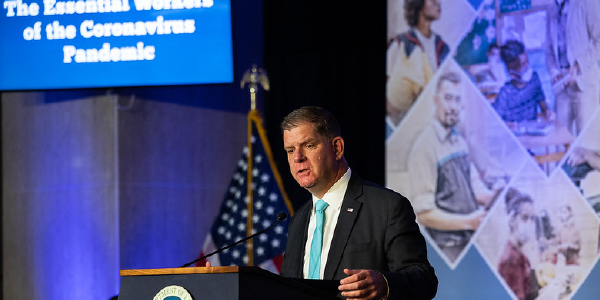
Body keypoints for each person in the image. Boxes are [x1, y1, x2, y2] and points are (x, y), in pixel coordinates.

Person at [279, 106, 438, 300]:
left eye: (309, 145)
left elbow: (424, 280)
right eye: (290, 150)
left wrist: (384, 284)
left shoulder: (387, 207)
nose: (297, 158)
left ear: (337, 148)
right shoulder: (298, 220)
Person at [407, 71, 501, 263]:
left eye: (458, 100)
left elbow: (474, 187)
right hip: (447, 249)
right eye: (448, 98)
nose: (453, 107)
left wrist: (496, 197)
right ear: (435, 100)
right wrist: (470, 221)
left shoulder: (459, 141)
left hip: (470, 240)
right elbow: (424, 215)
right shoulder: (425, 147)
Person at [386, 0, 449, 128]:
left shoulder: (443, 48)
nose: (438, 3)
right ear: (419, 6)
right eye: (432, 0)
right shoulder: (401, 44)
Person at [546, 0, 600, 136]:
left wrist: (578, 65)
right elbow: (549, 49)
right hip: (562, 85)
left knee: (587, 141)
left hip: (584, 82)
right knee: (560, 139)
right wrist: (554, 72)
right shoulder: (552, 7)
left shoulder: (586, 3)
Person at [492, 40, 553, 126]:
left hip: (533, 132)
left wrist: (546, 110)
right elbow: (494, 120)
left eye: (527, 62)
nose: (527, 67)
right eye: (522, 65)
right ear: (512, 73)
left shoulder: (534, 78)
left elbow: (541, 101)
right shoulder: (505, 93)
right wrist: (507, 125)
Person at [498, 188, 539, 300]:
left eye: (532, 219)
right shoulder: (510, 260)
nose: (530, 224)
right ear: (512, 220)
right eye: (525, 218)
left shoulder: (521, 256)